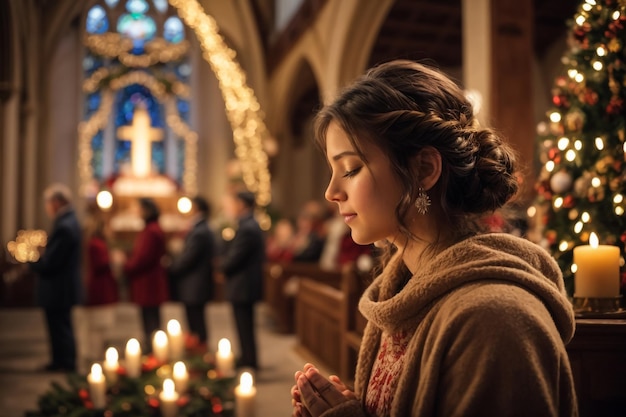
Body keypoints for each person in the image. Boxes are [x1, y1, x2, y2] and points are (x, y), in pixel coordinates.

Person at [290, 60, 578, 417]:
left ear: (424, 169)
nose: (331, 192)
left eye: (350, 169)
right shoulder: (401, 291)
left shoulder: (492, 318)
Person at [28, 183, 82, 372]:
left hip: (59, 287)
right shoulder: (68, 222)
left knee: (60, 327)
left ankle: (65, 363)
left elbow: (53, 261)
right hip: (61, 287)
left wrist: (32, 262)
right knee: (59, 326)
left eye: (48, 203)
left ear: (58, 202)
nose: (47, 207)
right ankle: (61, 360)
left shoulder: (65, 226)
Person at [220, 190, 265, 371]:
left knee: (244, 324)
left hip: (243, 284)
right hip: (244, 283)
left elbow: (237, 256)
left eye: (234, 202)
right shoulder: (249, 224)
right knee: (243, 324)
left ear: (242, 204)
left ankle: (249, 359)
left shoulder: (248, 226)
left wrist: (221, 267)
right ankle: (247, 356)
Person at [168, 196, 217, 349]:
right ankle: (197, 349)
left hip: (195, 283)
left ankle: (200, 351)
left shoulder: (200, 231)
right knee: (194, 320)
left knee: (196, 321)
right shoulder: (201, 228)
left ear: (196, 208)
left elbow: (189, 257)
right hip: (195, 283)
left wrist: (171, 267)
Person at [122, 197, 169, 351]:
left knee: (151, 321)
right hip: (148, 281)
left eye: (138, 208)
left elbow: (143, 258)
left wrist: (126, 266)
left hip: (149, 283)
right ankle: (154, 349)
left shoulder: (152, 231)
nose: (136, 212)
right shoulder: (152, 229)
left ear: (146, 210)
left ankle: (154, 352)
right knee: (149, 319)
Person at [83, 212, 119, 359]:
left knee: (100, 326)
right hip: (100, 288)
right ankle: (95, 354)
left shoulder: (97, 243)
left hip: (102, 286)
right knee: (97, 326)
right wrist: (114, 259)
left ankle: (97, 352)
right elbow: (101, 264)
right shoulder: (96, 244)